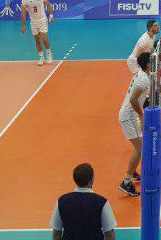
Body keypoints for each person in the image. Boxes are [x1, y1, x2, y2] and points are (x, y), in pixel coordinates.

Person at [50, 163, 116, 240]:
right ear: (91, 180)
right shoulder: (102, 202)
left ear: (75, 180)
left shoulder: (62, 201)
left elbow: (56, 233)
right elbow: (110, 233)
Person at [118, 52, 152, 196]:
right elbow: (133, 99)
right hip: (128, 116)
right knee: (140, 148)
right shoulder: (143, 79)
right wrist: (141, 114)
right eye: (152, 60)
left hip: (130, 115)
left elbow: (139, 97)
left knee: (139, 146)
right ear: (148, 65)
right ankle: (126, 182)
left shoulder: (142, 74)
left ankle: (132, 172)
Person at [21, 0, 54, 65]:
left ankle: (49, 54)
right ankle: (41, 57)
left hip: (42, 20)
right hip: (33, 22)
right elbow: (23, 13)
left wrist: (51, 15)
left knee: (44, 39)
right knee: (37, 41)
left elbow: (48, 5)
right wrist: (23, 25)